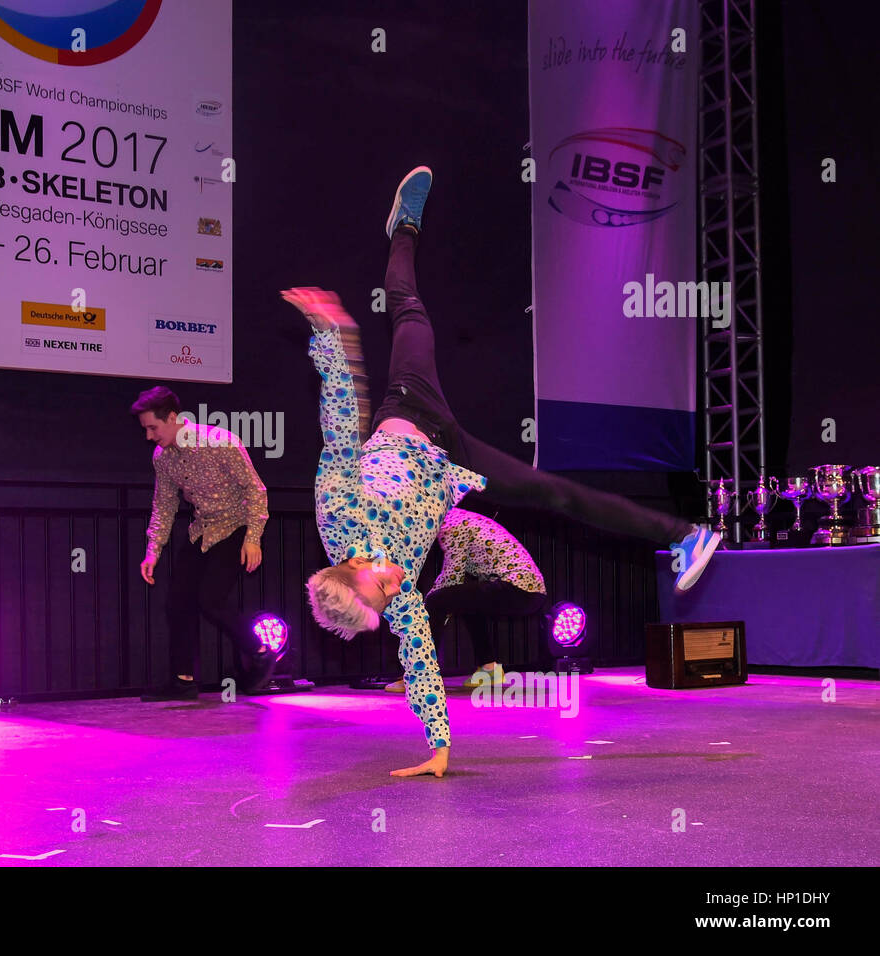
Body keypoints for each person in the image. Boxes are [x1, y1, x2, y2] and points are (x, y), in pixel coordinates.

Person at [292, 166, 719, 777]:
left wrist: (332, 338)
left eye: (382, 586)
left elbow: (338, 435)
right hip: (452, 459)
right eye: (389, 599)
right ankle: (684, 535)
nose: (397, 588)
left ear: (354, 565)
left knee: (411, 315)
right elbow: (420, 663)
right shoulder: (398, 599)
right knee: (553, 492)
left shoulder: (338, 514)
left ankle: (403, 227)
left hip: (410, 411)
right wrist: (439, 747)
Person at [132, 386, 276, 700]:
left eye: (153, 428)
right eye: (145, 430)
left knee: (211, 599)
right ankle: (183, 681)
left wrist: (253, 539)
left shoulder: (220, 442)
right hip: (203, 529)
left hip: (235, 526)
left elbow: (256, 491)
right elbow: (165, 505)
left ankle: (261, 650)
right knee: (177, 602)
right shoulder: (163, 457)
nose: (149, 436)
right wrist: (152, 551)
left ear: (172, 418)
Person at [385, 508, 547, 693]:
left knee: (438, 601)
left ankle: (420, 677)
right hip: (529, 590)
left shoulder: (451, 526)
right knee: (466, 602)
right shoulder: (458, 518)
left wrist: (426, 604)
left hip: (518, 588)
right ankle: (489, 668)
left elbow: (452, 576)